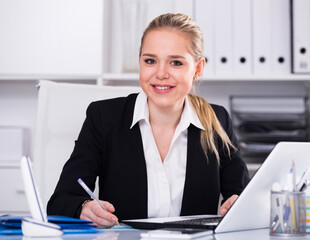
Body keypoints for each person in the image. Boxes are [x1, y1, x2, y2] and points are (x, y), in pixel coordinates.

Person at [47, 13, 250, 228]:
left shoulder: (217, 121)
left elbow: (243, 198)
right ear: (140, 62)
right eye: (150, 61)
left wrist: (238, 205)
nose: (161, 73)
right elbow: (60, 201)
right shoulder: (103, 117)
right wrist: (83, 207)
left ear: (198, 69)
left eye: (176, 62)